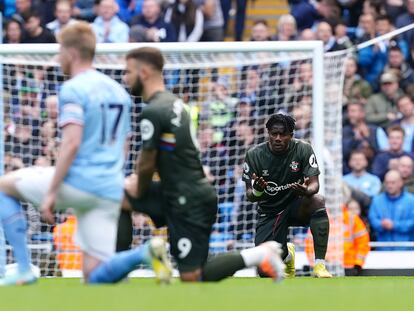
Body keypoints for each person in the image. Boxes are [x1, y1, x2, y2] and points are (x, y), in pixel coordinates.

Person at [0, 22, 168, 286]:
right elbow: (125, 142)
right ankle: (143, 253)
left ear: (71, 53)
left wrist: (52, 193)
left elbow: (71, 144)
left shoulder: (73, 89)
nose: (58, 58)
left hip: (79, 182)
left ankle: (23, 268)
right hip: (109, 188)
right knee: (93, 278)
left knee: (3, 186)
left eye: (60, 52)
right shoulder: (118, 91)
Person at [120, 46, 285, 282]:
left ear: (144, 72)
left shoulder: (155, 110)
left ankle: (260, 254)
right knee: (118, 198)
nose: (125, 78)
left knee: (194, 276)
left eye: (128, 72)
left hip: (189, 198)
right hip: (175, 192)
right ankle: (121, 270)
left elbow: (147, 161)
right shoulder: (174, 103)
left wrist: (139, 184)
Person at [242, 114, 332, 278]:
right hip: (270, 211)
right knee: (264, 271)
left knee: (317, 200)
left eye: (283, 134)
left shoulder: (303, 149)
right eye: (273, 134)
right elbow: (249, 195)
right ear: (268, 133)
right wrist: (258, 191)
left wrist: (306, 191)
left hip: (295, 205)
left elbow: (315, 185)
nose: (277, 138)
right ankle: (287, 254)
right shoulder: (254, 154)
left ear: (291, 135)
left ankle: (320, 265)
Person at [368, 170, 414, 250]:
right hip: (383, 249)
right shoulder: (377, 200)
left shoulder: (411, 200)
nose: (389, 186)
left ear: (401, 183)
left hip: (406, 249)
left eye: (393, 183)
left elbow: (412, 222)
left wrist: (395, 225)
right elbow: (372, 219)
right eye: (387, 182)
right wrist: (381, 224)